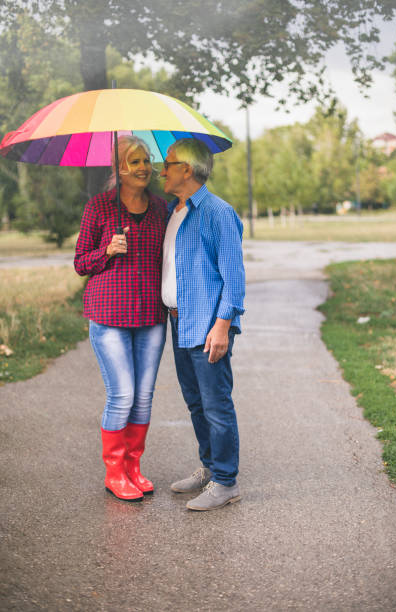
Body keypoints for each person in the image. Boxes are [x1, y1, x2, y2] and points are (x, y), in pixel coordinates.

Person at [74, 135, 167, 502]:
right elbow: (81, 263)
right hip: (109, 314)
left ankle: (133, 467)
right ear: (119, 169)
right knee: (123, 394)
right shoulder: (98, 208)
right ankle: (115, 472)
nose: (143, 167)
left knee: (143, 397)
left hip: (150, 315)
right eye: (134, 161)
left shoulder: (161, 208)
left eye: (145, 160)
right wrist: (107, 250)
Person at [160, 138, 245, 511]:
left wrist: (223, 326)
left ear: (187, 170)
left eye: (168, 163)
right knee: (196, 403)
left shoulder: (217, 212)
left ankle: (226, 482)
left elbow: (235, 279)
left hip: (208, 326)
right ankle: (210, 467)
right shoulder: (172, 212)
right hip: (178, 323)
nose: (162, 169)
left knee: (216, 405)